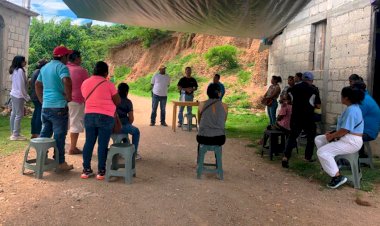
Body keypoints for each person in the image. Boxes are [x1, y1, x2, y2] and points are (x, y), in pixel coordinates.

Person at [315, 86, 364, 189]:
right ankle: (332, 163)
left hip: (351, 141)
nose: (340, 97)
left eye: (341, 96)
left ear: (346, 98)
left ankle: (337, 177)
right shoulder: (352, 107)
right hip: (347, 138)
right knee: (319, 139)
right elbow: (346, 128)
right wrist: (333, 133)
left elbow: (345, 130)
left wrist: (332, 136)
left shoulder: (352, 110)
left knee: (322, 152)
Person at [35, 46, 74, 171]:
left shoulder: (45, 67)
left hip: (46, 107)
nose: (68, 59)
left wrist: (41, 99)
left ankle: (41, 159)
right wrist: (68, 97)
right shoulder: (62, 67)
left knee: (45, 133)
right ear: (62, 56)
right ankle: (60, 162)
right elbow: (67, 80)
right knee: (59, 135)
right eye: (67, 56)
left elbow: (37, 84)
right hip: (58, 107)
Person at [80, 61, 121, 180]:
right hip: (106, 117)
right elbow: (117, 101)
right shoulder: (109, 84)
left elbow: (85, 97)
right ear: (105, 72)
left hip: (89, 115)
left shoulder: (85, 82)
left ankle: (86, 170)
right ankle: (101, 171)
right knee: (102, 144)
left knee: (89, 142)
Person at [282, 71, 317, 168]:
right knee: (310, 137)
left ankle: (285, 157)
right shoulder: (313, 90)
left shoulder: (292, 89)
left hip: (296, 117)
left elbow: (288, 100)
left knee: (292, 136)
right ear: (311, 80)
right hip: (308, 118)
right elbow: (317, 105)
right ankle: (307, 157)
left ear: (302, 79)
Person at [67, 50, 89, 155]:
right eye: (80, 57)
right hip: (76, 100)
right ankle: (72, 148)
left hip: (63, 99)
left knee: (65, 123)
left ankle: (61, 147)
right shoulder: (82, 71)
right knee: (75, 123)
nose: (81, 59)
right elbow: (87, 85)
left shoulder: (64, 68)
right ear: (76, 59)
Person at [352, 80, 380, 157]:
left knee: (345, 136)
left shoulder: (363, 101)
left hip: (368, 133)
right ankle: (359, 156)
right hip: (369, 131)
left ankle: (347, 160)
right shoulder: (366, 97)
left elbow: (355, 119)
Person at [117, 83, 141, 160]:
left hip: (110, 125)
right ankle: (134, 153)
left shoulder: (113, 99)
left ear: (117, 91)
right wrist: (128, 123)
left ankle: (122, 150)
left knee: (125, 131)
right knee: (136, 131)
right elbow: (131, 119)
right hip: (122, 125)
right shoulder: (128, 102)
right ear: (127, 92)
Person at [9, 55, 29, 141]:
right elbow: (21, 86)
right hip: (18, 95)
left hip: (14, 94)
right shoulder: (20, 71)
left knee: (14, 113)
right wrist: (26, 97)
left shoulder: (14, 70)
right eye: (24, 61)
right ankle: (15, 135)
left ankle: (13, 132)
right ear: (20, 62)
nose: (25, 62)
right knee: (19, 114)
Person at [30, 59, 48, 138]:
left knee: (36, 113)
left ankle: (34, 132)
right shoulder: (41, 72)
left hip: (34, 95)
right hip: (38, 95)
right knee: (39, 114)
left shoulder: (35, 71)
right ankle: (37, 133)